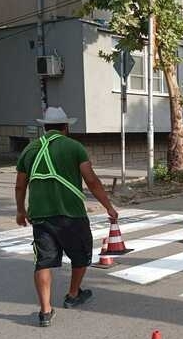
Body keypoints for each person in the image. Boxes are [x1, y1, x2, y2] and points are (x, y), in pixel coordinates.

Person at [15, 107, 118, 327]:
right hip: (71, 214)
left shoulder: (29, 150)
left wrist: (20, 211)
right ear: (66, 127)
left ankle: (45, 312)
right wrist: (108, 206)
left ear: (45, 127)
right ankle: (72, 295)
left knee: (43, 261)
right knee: (80, 254)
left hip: (40, 216)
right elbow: (91, 180)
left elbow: (19, 185)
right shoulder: (74, 147)